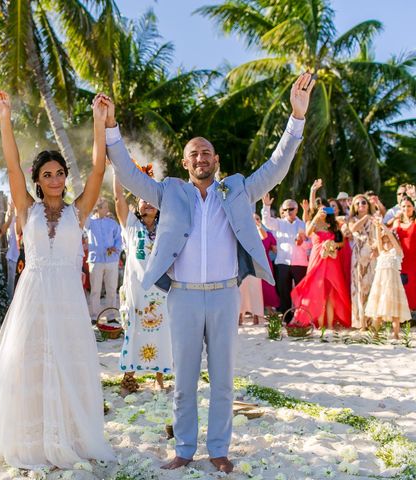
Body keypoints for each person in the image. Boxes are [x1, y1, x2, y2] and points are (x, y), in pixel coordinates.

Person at [106, 73, 314, 473]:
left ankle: (219, 447)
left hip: (223, 294)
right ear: (185, 163)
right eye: (194, 154)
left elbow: (276, 167)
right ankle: (184, 448)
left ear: (216, 161)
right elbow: (131, 175)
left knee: (222, 380)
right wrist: (112, 129)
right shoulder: (169, 191)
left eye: (207, 153)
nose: (201, 158)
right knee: (184, 381)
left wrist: (296, 118)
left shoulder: (236, 188)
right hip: (181, 295)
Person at [0, 90, 114, 468]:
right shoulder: (26, 210)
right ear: (37, 180)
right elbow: (12, 166)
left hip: (66, 297)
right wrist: (4, 118)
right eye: (47, 174)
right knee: (29, 363)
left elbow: (98, 170)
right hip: (32, 295)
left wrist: (99, 124)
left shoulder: (77, 212)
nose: (55, 179)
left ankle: (70, 434)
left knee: (69, 362)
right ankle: (32, 435)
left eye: (60, 173)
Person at [113, 170, 172, 394]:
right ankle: (129, 378)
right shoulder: (130, 225)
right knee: (132, 330)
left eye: (152, 200)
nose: (147, 203)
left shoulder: (167, 228)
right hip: (135, 291)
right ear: (136, 204)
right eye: (143, 199)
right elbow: (118, 198)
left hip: (161, 292)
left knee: (162, 333)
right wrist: (117, 169)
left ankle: (159, 379)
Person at [291, 207, 351, 329]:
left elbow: (341, 243)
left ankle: (329, 325)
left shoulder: (334, 226)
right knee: (317, 291)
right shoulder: (313, 223)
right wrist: (316, 217)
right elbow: (308, 233)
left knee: (331, 294)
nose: (323, 212)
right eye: (321, 210)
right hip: (317, 260)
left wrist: (333, 244)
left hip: (331, 262)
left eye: (325, 210)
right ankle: (320, 325)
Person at [261, 195, 311, 322]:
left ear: (296, 210)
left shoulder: (303, 224)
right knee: (284, 292)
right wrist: (266, 207)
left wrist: (302, 242)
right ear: (282, 211)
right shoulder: (279, 223)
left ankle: (301, 318)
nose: (288, 211)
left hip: (300, 263)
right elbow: (266, 222)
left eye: (291, 209)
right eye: (286, 209)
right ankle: (287, 319)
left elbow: (310, 244)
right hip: (283, 262)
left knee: (301, 292)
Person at [365, 219, 411, 340]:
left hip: (392, 284)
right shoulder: (381, 253)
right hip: (380, 284)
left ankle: (396, 334)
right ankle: (375, 334)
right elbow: (379, 239)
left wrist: (383, 226)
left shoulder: (397, 252)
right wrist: (377, 227)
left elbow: (390, 235)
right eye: (384, 241)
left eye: (388, 241)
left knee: (395, 311)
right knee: (378, 310)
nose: (386, 243)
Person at [85, 197, 122, 321]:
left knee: (112, 289)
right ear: (98, 209)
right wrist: (92, 204)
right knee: (95, 290)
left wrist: (115, 248)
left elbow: (119, 237)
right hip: (96, 260)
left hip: (112, 260)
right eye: (105, 207)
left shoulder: (112, 223)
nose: (107, 209)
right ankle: (95, 316)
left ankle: (111, 315)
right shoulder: (90, 222)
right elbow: (84, 220)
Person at [347, 194, 377, 330]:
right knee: (358, 288)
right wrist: (366, 217)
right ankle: (361, 322)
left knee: (370, 286)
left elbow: (377, 236)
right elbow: (353, 229)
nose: (361, 205)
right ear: (354, 206)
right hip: (358, 256)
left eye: (364, 202)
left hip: (371, 256)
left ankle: (372, 321)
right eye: (358, 203)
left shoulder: (374, 218)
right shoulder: (352, 219)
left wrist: (376, 249)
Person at [393, 195, 416, 310]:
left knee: (413, 287)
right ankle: (406, 317)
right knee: (403, 288)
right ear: (400, 208)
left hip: (414, 260)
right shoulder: (396, 222)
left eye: (409, 206)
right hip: (401, 261)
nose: (406, 208)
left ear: (413, 207)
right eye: (403, 206)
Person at [255, 213, 279, 313]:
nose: (255, 221)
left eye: (257, 218)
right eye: (253, 219)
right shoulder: (247, 235)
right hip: (252, 263)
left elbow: (275, 250)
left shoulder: (268, 234)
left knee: (267, 286)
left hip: (265, 263)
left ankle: (269, 309)